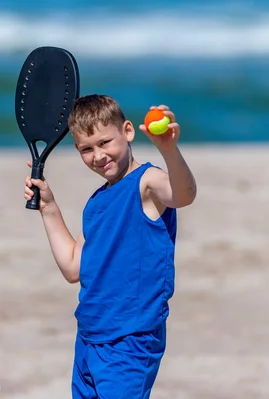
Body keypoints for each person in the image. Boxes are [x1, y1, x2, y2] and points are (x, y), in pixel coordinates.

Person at [23, 94, 196, 398]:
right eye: (86, 149)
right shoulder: (96, 202)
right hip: (90, 335)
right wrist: (49, 208)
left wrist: (169, 150)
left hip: (130, 338)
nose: (98, 155)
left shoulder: (147, 182)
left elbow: (182, 195)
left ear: (127, 131)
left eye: (105, 143)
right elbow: (73, 267)